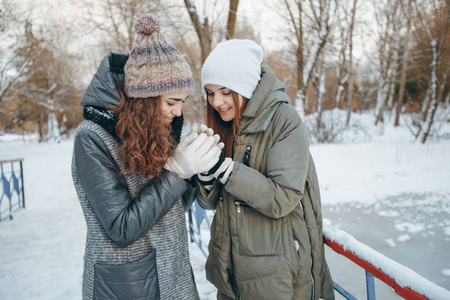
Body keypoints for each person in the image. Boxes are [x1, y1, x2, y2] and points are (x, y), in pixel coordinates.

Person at [71, 15, 221, 300]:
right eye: (171, 102)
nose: (178, 112)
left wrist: (196, 171)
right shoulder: (91, 138)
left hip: (173, 273)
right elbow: (121, 227)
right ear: (146, 100)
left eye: (182, 102)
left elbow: (170, 208)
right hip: (129, 284)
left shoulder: (157, 129)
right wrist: (175, 172)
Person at [195, 39, 335, 300]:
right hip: (231, 264)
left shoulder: (285, 121)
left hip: (274, 272)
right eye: (210, 93)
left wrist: (224, 169)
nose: (217, 102)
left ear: (245, 85)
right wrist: (204, 175)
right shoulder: (226, 122)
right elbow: (213, 202)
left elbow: (282, 197)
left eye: (226, 91)